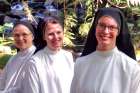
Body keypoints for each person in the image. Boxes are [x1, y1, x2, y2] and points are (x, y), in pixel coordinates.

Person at [70, 7, 140, 93]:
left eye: (111, 27)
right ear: (95, 27)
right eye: (102, 25)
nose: (106, 31)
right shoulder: (81, 64)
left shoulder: (131, 68)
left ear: (118, 31)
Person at [22, 16, 74, 93]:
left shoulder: (68, 56)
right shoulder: (34, 63)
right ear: (43, 36)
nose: (56, 37)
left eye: (58, 32)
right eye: (51, 34)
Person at [0, 21, 36, 92]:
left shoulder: (36, 57)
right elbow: (2, 80)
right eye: (16, 35)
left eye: (24, 34)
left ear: (32, 36)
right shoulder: (13, 58)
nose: (20, 38)